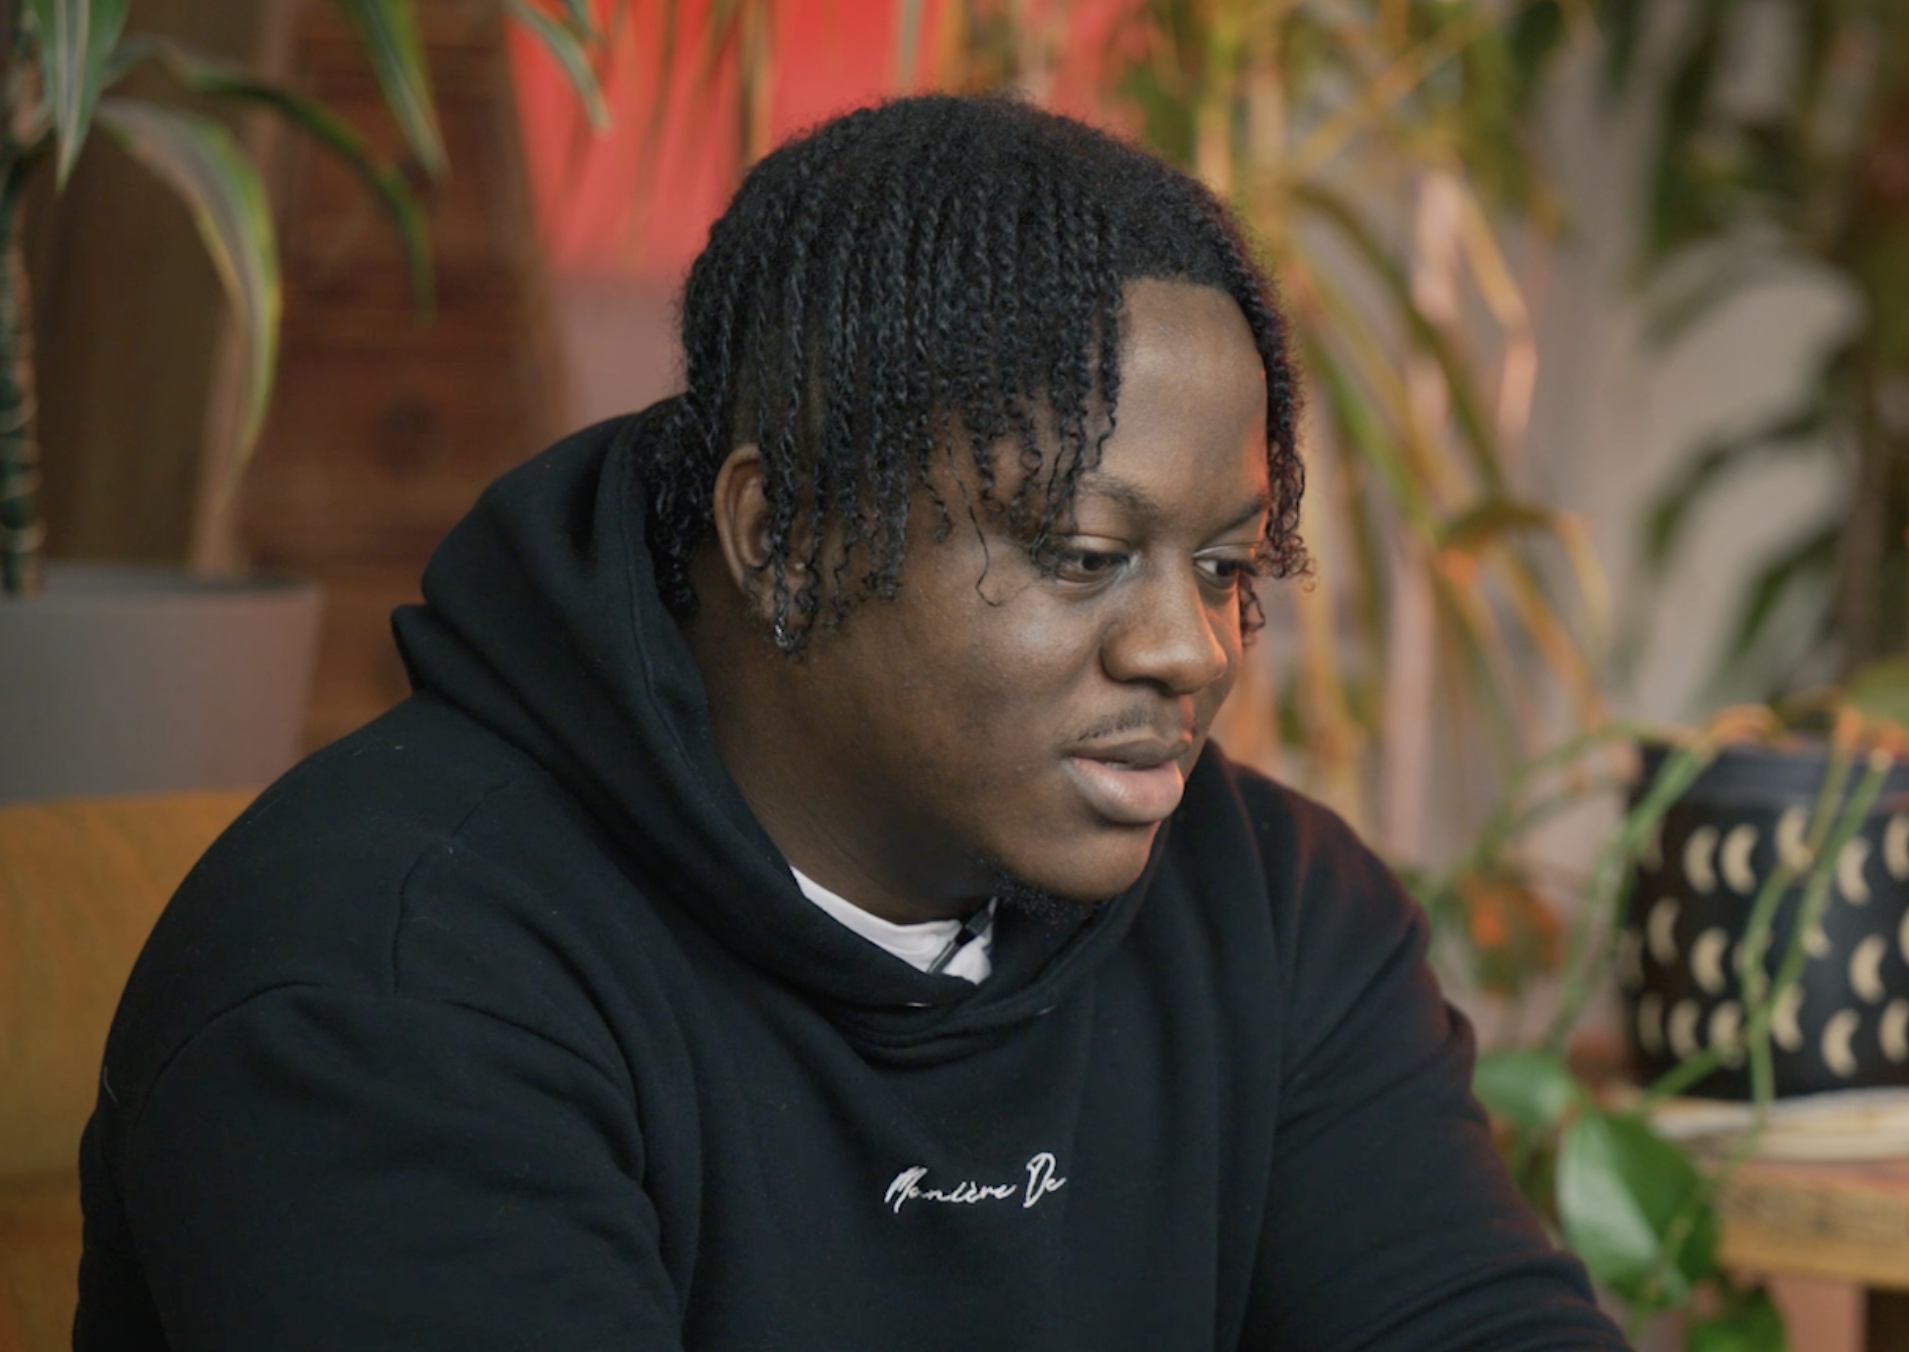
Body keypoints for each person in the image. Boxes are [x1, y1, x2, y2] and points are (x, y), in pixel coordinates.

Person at [76, 95, 1627, 1351]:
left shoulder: (1275, 913)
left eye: (1226, 567)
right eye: (1083, 555)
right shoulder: (390, 979)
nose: (1190, 650)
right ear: (786, 538)